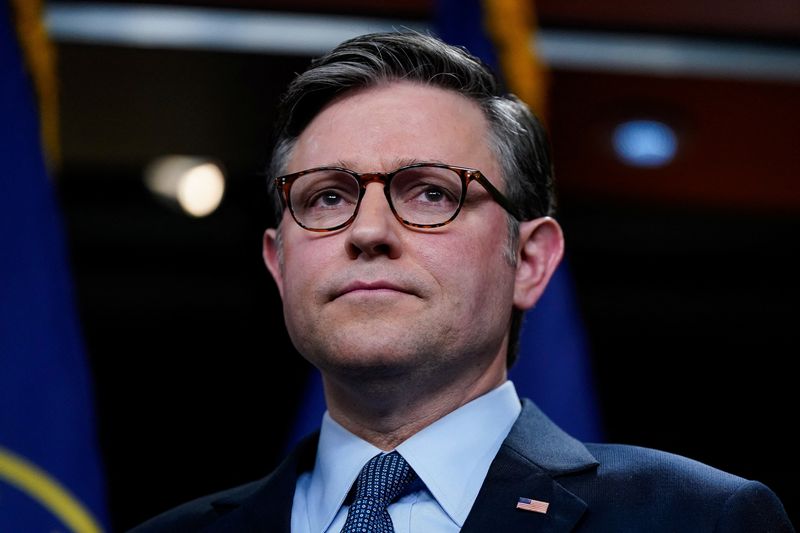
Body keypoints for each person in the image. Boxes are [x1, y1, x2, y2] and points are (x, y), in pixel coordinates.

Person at [131, 31, 794, 532]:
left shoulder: (693, 519)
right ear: (279, 264)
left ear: (529, 260)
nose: (368, 231)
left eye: (428, 192)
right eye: (328, 196)